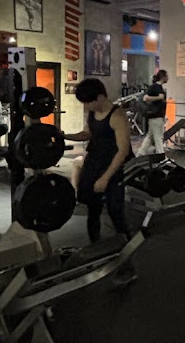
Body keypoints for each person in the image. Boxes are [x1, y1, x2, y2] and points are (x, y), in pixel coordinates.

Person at [64, 78, 133, 243]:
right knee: (92, 207)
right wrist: (65, 136)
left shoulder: (117, 116)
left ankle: (127, 246)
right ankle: (95, 246)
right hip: (94, 161)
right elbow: (87, 133)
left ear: (100, 97)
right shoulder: (92, 113)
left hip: (113, 165)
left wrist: (105, 178)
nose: (86, 106)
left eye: (88, 102)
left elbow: (123, 151)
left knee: (115, 210)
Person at [137, 69, 168, 156]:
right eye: (167, 76)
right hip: (155, 116)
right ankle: (161, 156)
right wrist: (159, 97)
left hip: (158, 115)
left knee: (150, 137)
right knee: (158, 138)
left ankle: (140, 153)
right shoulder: (154, 87)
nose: (168, 78)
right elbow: (145, 98)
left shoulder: (159, 87)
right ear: (163, 77)